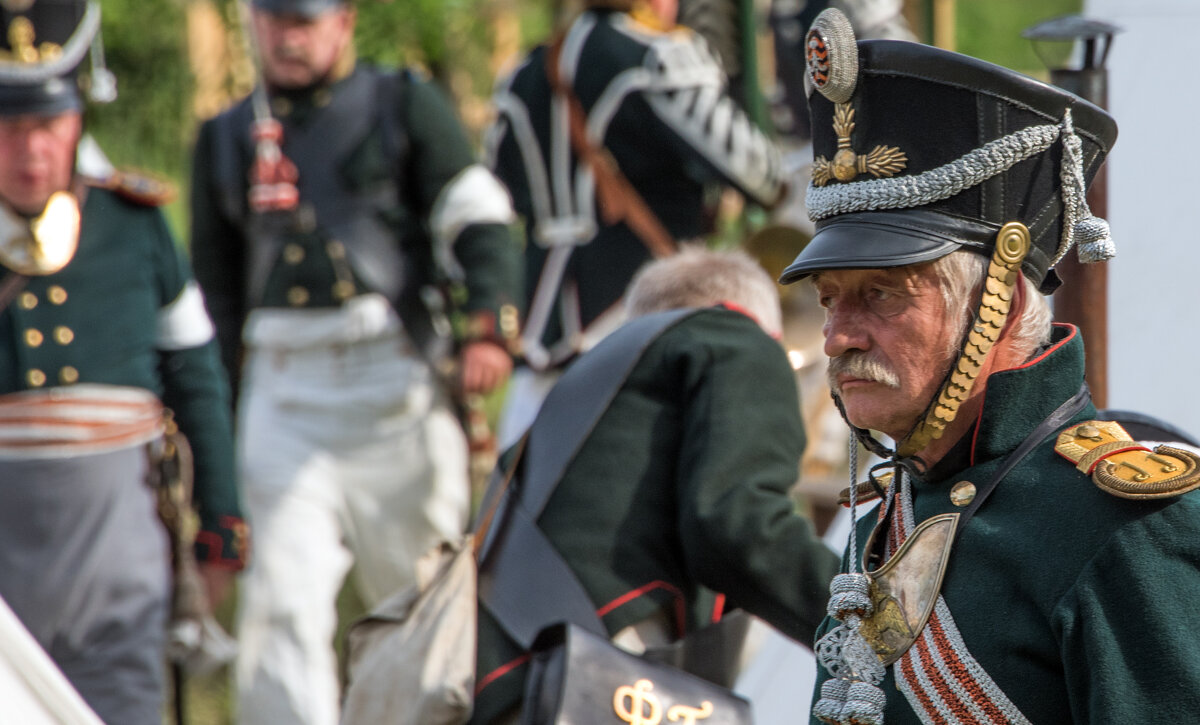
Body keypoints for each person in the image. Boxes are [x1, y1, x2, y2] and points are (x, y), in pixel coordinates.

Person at [779, 9, 1200, 723]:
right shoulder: (890, 516)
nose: (837, 336)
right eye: (829, 300)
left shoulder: (1125, 531)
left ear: (997, 307)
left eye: (879, 295)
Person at [188, 0, 521, 722]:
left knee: (421, 604)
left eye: (305, 19)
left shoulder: (402, 101)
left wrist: (488, 320)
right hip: (282, 392)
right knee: (278, 608)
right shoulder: (224, 138)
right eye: (275, 19)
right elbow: (215, 304)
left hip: (393, 381)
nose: (289, 35)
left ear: (343, 21)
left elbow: (475, 208)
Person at [0, 2, 246, 723]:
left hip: (122, 573)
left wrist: (222, 528)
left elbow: (197, 378)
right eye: (9, 126)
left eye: (47, 124)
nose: (30, 150)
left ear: (79, 119)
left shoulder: (136, 225)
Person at [471, 246, 842, 724]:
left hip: (504, 677)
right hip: (596, 681)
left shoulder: (579, 389)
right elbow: (739, 528)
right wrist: (871, 623)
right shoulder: (737, 338)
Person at [487, 0, 787, 447]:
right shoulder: (656, 57)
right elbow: (761, 176)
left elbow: (496, 189)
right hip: (641, 319)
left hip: (540, 331)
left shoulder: (521, 73)